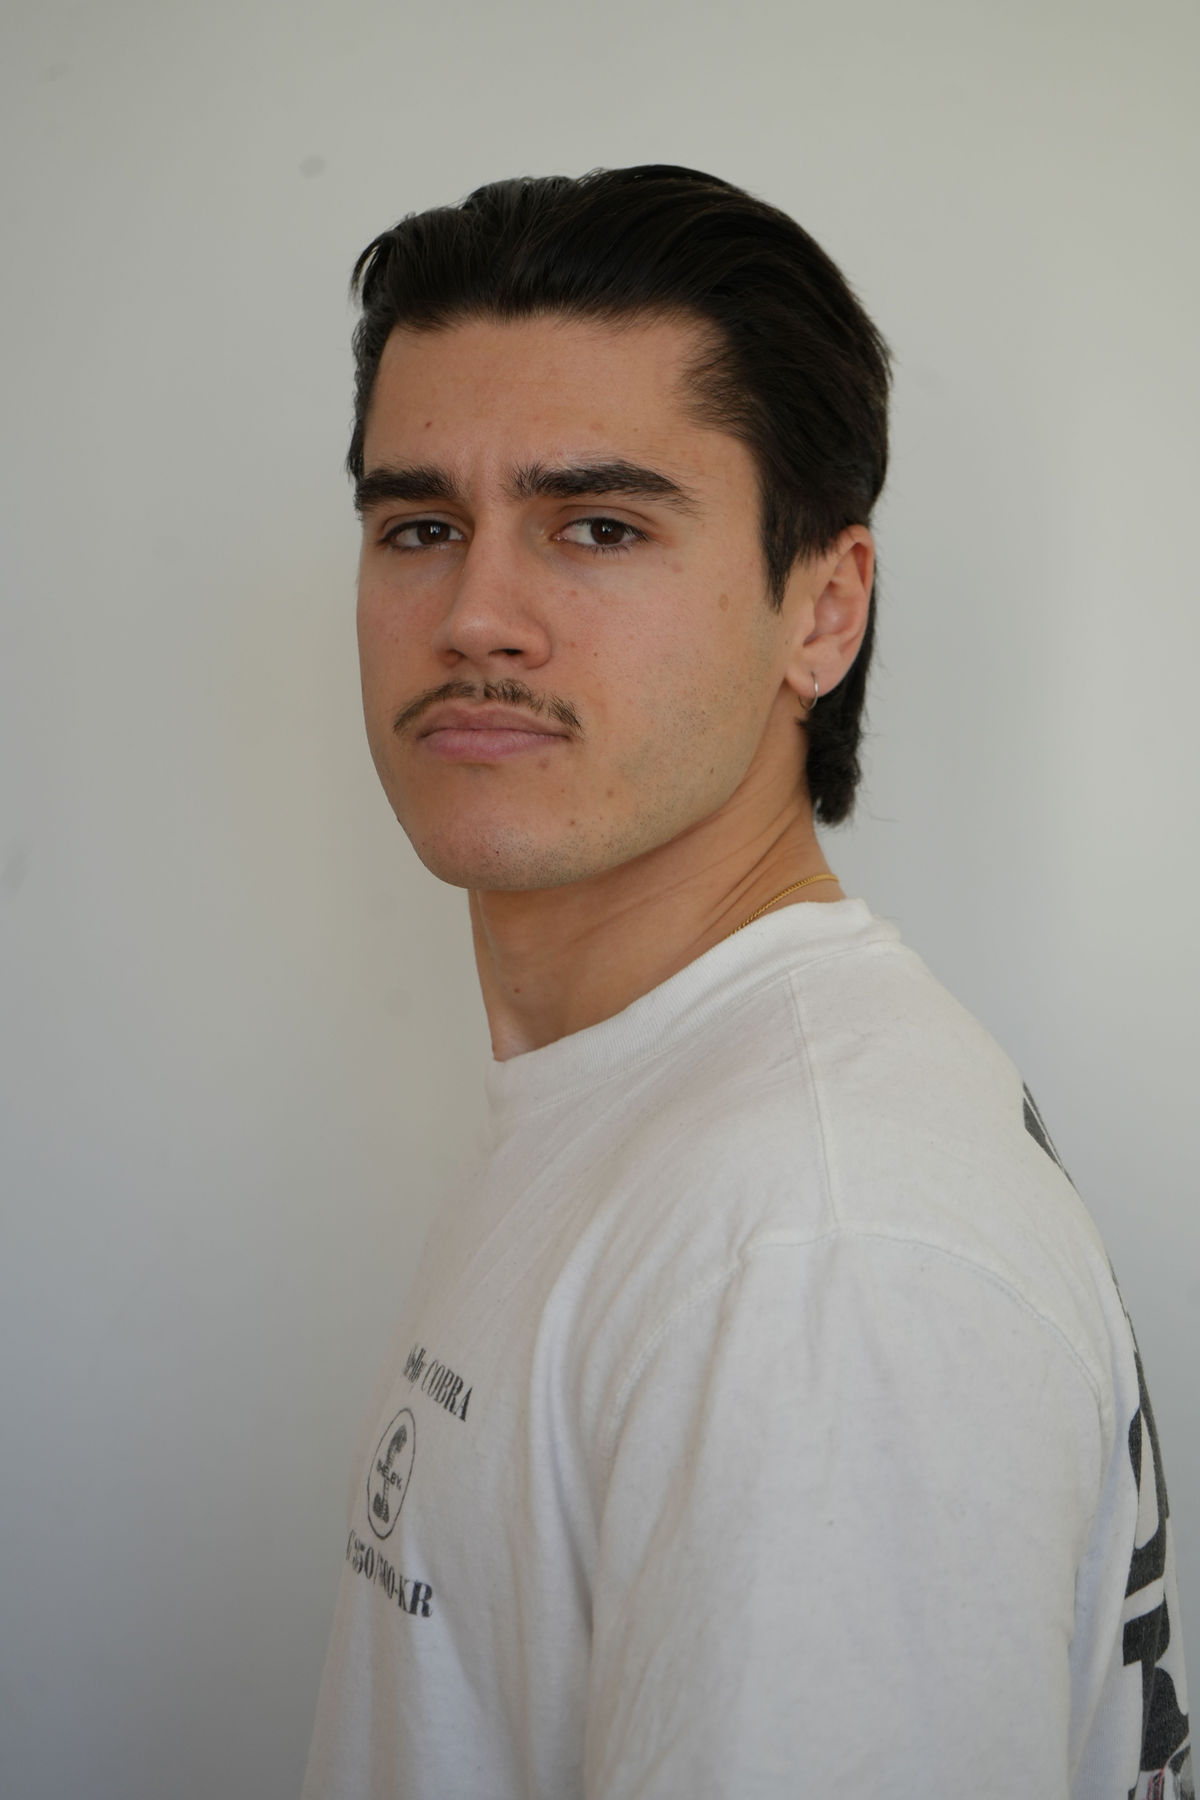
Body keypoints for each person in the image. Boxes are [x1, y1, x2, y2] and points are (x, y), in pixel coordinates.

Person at [301, 165, 1192, 1798]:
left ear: (823, 611)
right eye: (419, 526)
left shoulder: (812, 1247)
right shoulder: (671, 1122)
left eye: (599, 527)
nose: (476, 615)